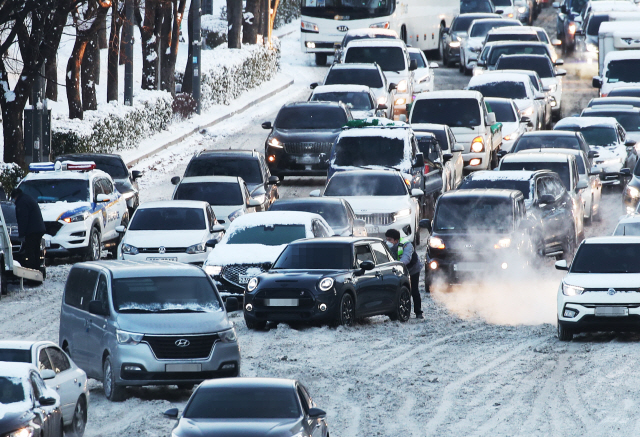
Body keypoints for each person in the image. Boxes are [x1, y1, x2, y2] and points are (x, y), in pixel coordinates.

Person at [385, 229, 423, 319]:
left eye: (390, 240)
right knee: (399, 291)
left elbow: (406, 258)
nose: (388, 242)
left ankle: (418, 312)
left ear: (396, 240)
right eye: (387, 239)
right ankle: (400, 313)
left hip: (412, 269)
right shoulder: (386, 246)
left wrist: (397, 266)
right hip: (399, 269)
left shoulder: (406, 245)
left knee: (414, 290)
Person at [11, 188, 45, 270]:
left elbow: (23, 219)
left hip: (32, 231)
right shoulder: (27, 198)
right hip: (38, 229)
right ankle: (37, 270)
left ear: (15, 196)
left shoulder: (21, 202)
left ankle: (32, 271)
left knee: (31, 252)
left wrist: (21, 235)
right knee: (36, 251)